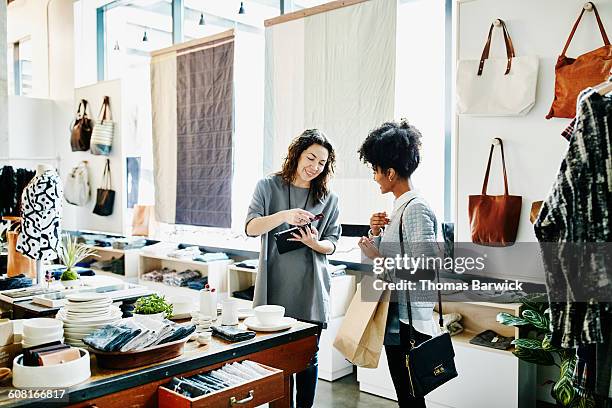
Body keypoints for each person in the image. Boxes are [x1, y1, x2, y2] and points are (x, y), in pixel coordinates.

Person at [245, 129, 341, 408]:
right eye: (310, 157)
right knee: (275, 357)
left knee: (308, 357)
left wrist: (315, 243)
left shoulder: (330, 198)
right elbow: (251, 228)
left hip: (311, 286)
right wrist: (284, 216)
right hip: (275, 284)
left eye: (321, 163)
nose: (314, 166)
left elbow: (332, 243)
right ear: (296, 154)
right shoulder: (267, 186)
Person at [357, 120, 439, 408]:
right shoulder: (401, 206)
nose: (375, 178)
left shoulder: (415, 209)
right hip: (400, 318)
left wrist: (378, 258)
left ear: (390, 172)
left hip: (409, 324)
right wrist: (376, 236)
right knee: (407, 395)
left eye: (376, 170)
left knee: (411, 397)